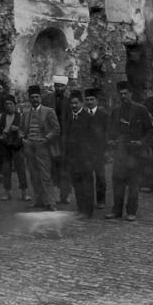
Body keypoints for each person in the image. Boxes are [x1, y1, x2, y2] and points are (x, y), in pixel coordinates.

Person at [105, 82, 153, 221]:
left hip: (135, 153)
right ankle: (116, 211)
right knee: (117, 182)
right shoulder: (116, 111)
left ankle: (131, 211)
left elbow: (150, 130)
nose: (123, 96)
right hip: (120, 153)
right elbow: (110, 130)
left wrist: (141, 142)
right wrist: (110, 140)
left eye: (125, 93)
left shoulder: (141, 110)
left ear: (131, 94)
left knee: (133, 185)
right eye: (121, 94)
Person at [21, 84, 61, 211]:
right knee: (34, 174)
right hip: (29, 147)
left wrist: (46, 139)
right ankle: (38, 200)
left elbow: (56, 129)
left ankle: (50, 202)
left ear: (40, 98)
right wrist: (23, 139)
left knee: (45, 174)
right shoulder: (25, 113)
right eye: (32, 97)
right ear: (29, 98)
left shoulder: (49, 111)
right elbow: (22, 129)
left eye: (37, 97)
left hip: (43, 147)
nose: (34, 99)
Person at [0, 95, 30, 202]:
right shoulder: (1, 117)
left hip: (17, 146)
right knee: (6, 170)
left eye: (10, 104)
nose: (8, 106)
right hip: (5, 147)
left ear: (15, 105)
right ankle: (7, 193)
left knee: (21, 169)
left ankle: (24, 193)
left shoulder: (21, 116)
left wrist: (18, 130)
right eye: (6, 104)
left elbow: (26, 129)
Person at [64, 91, 96, 219]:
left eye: (76, 103)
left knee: (87, 186)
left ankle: (87, 211)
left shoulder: (88, 118)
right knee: (77, 185)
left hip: (85, 159)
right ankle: (80, 208)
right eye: (71, 103)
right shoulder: (69, 117)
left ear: (81, 103)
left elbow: (94, 139)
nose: (73, 105)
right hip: (73, 159)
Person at [45, 75, 70, 203]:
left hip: (65, 138)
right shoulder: (47, 99)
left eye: (61, 86)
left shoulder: (69, 100)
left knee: (64, 166)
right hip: (51, 137)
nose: (59, 88)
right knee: (52, 166)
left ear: (65, 87)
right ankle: (53, 193)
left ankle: (65, 194)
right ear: (54, 86)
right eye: (57, 86)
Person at [83, 88, 108, 208]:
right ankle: (88, 200)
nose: (89, 102)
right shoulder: (82, 114)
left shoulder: (103, 115)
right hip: (85, 152)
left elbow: (107, 133)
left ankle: (101, 200)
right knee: (87, 177)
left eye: (92, 99)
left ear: (97, 100)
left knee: (100, 177)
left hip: (99, 151)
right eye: (87, 100)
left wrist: (106, 150)